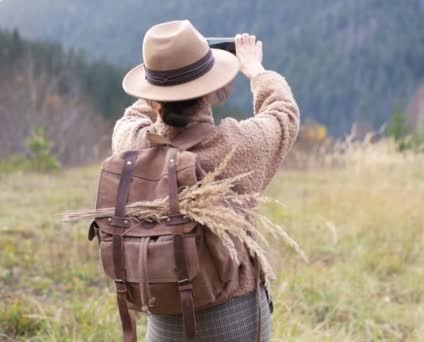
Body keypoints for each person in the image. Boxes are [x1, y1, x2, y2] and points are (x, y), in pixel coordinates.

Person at [113, 20, 300, 342]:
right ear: (213, 89)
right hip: (232, 314)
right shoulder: (239, 146)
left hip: (163, 311)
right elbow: (283, 112)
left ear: (154, 96)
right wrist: (255, 69)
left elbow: (133, 115)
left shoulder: (130, 144)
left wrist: (163, 75)